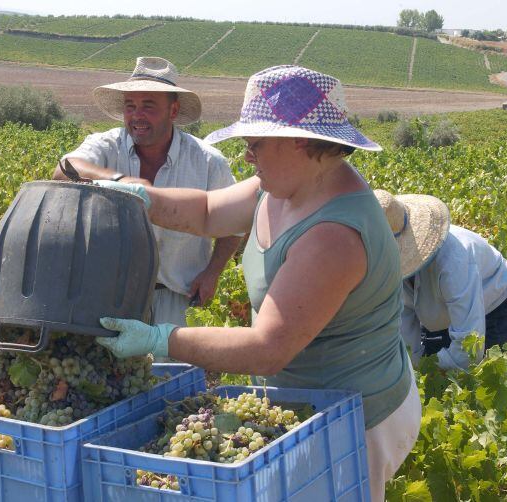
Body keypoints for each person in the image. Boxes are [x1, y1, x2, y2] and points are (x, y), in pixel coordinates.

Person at [93, 65, 422, 500]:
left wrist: (158, 338)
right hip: (305, 407)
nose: (247, 156)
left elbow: (267, 348)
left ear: (299, 140)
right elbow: (208, 212)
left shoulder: (334, 235)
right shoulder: (283, 185)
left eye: (255, 144)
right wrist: (141, 196)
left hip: (357, 420)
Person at [53, 57, 242, 327]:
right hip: (109, 299)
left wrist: (213, 273)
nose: (137, 115)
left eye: (148, 106)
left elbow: (233, 226)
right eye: (130, 107)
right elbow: (63, 169)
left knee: (170, 369)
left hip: (178, 299)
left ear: (173, 111)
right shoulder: (105, 146)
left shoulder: (208, 162)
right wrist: (120, 180)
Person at [374, 190, 507, 371]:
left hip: (495, 311)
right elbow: (404, 328)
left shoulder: (454, 261)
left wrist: (429, 371)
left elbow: (470, 345)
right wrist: (412, 370)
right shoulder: (390, 267)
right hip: (441, 316)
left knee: (482, 378)